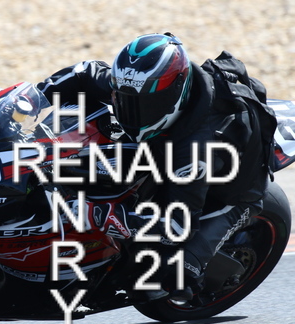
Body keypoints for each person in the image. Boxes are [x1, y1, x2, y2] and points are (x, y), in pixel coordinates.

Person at [36, 32, 277, 302]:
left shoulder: (196, 148)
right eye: (122, 97)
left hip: (235, 191)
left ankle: (196, 275)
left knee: (175, 274)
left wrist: (101, 214)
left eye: (143, 104)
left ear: (174, 94)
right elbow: (85, 73)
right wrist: (33, 99)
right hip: (169, 150)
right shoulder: (139, 86)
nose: (130, 109)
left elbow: (177, 225)